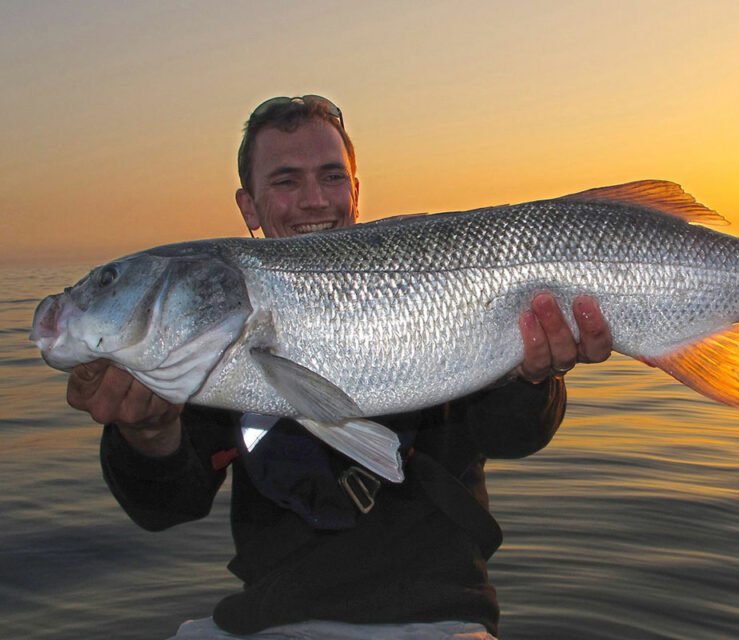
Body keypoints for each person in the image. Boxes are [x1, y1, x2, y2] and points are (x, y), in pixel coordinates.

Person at [66, 95, 613, 639]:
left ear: (356, 190)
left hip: (438, 617)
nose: (313, 200)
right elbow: (166, 508)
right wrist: (147, 431)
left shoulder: (429, 280)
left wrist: (535, 375)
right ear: (248, 207)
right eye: (285, 181)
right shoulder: (211, 328)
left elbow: (515, 435)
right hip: (267, 620)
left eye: (331, 176)